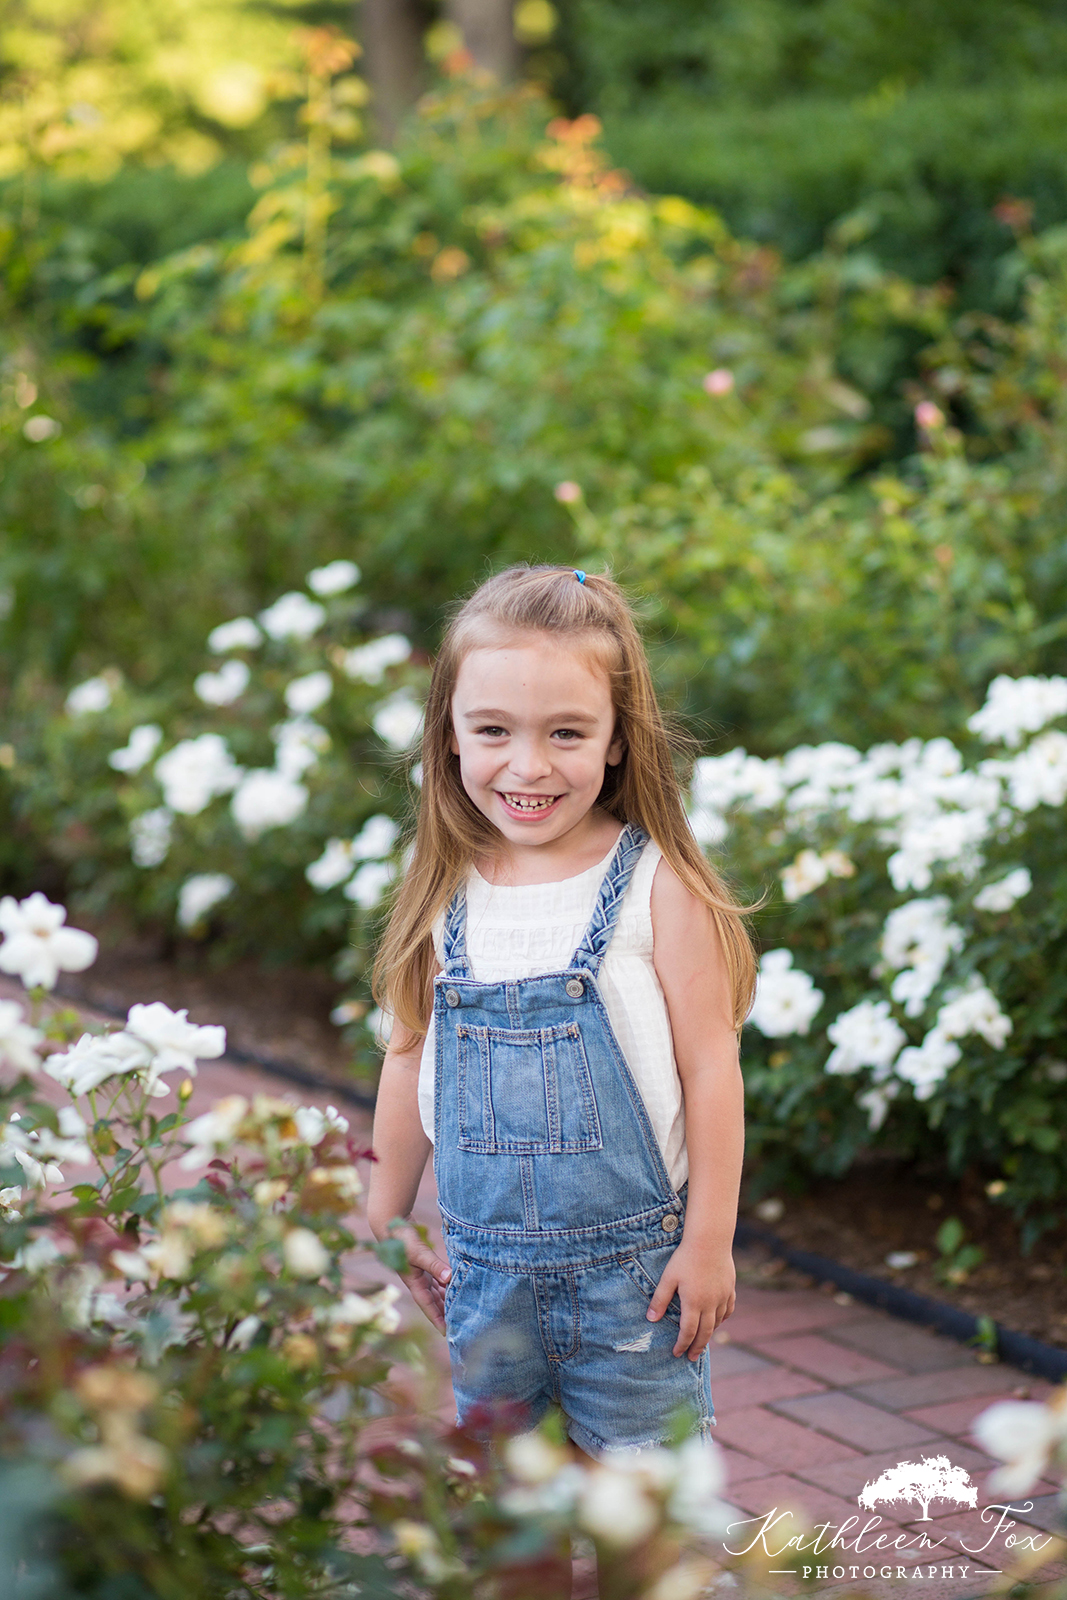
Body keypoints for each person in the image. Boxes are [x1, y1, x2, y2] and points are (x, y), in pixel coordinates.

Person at [367, 565, 754, 1457]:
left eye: (566, 732)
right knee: (514, 1499)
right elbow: (408, 1049)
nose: (528, 765)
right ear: (449, 735)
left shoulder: (656, 886)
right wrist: (385, 1210)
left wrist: (709, 1241)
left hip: (635, 1285)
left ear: (617, 739)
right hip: (485, 1284)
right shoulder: (442, 889)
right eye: (492, 730)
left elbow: (710, 1068)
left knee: (644, 1502)